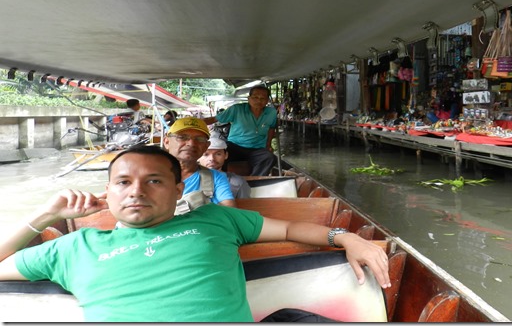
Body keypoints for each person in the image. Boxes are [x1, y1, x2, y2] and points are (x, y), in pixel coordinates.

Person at [0, 145, 390, 322]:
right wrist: (43, 214)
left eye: (153, 181)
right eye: (123, 182)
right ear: (109, 191)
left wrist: (348, 237)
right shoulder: (73, 247)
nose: (136, 190)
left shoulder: (215, 221)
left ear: (177, 190)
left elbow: (289, 227)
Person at [163, 117, 235, 210]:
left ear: (206, 146)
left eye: (200, 139)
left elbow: (231, 212)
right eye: (182, 137)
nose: (191, 143)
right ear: (167, 142)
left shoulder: (216, 178)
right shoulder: (146, 174)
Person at [203, 86, 277, 176]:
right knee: (220, 156)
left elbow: (271, 128)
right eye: (255, 97)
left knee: (270, 157)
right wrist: (194, 124)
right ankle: (221, 178)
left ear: (267, 100)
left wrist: (268, 145)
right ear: (249, 99)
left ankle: (255, 180)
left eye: (262, 98)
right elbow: (214, 119)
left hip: (257, 149)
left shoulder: (271, 113)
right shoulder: (236, 109)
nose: (259, 100)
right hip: (235, 146)